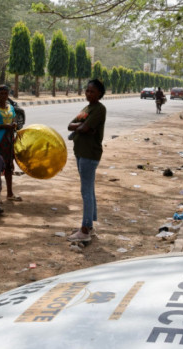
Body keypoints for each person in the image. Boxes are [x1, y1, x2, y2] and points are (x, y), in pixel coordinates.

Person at [67, 79, 107, 242]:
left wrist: (82, 127)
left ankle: (84, 230)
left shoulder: (99, 109)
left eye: (92, 91)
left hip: (89, 154)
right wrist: (82, 127)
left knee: (86, 191)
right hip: (81, 153)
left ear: (99, 93)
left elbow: (82, 127)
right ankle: (89, 224)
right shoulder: (86, 108)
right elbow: (70, 126)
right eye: (87, 91)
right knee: (89, 190)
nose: (88, 94)